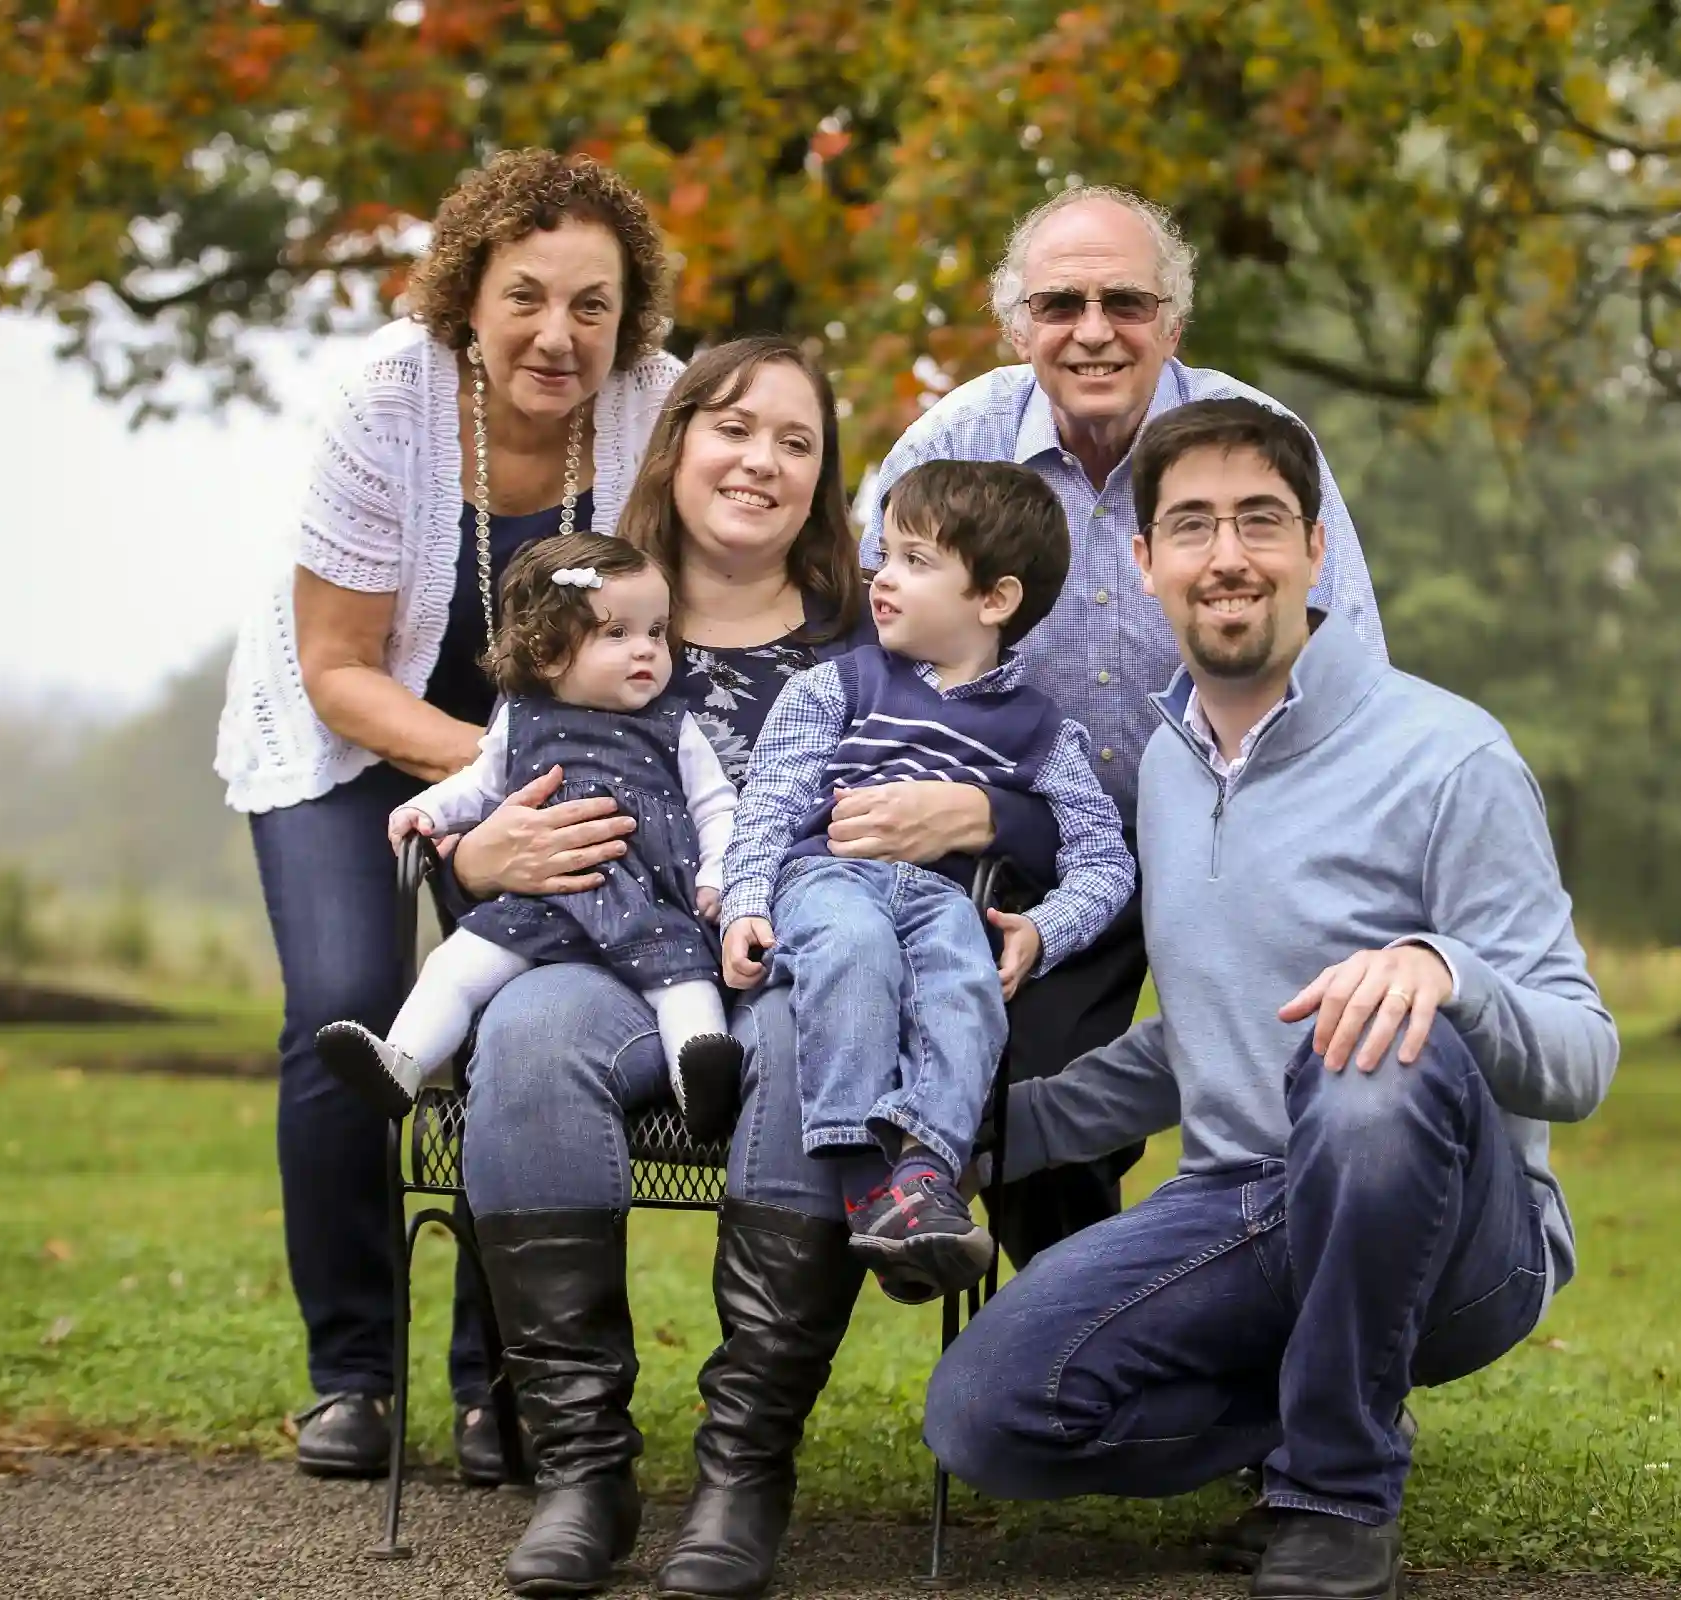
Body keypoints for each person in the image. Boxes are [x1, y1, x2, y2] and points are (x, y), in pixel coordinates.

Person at [920, 399, 1621, 1600]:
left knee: (1374, 1052)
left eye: (1260, 519)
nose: (1227, 554)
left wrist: (1445, 973)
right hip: (1240, 1212)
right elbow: (1201, 1039)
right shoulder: (1166, 774)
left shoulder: (1447, 754)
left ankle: (1338, 1490)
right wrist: (989, 1136)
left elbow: (1582, 1055)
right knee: (984, 1415)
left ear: (1316, 550)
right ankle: (1323, 1391)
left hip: (1460, 1240)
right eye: (1190, 524)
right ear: (1144, 565)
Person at [440, 338, 1065, 1597]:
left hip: (802, 964)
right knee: (524, 1039)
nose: (762, 460)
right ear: (677, 445)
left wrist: (979, 821)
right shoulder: (582, 602)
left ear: (825, 477)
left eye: (797, 440)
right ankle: (583, 1468)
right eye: (734, 427)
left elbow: (1040, 796)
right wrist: (479, 859)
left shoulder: (874, 630)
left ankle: (743, 1467)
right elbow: (491, 784)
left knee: (798, 1051)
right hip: (599, 952)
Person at [213, 147, 680, 1485]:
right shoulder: (386, 405)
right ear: (466, 294)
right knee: (348, 1003)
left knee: (517, 1019)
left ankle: (500, 1384)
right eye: (526, 295)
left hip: (557, 754)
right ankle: (352, 1376)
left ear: (628, 316)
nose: (558, 332)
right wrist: (495, 773)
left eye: (592, 304)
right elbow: (341, 665)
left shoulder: (653, 409)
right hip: (356, 734)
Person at [856, 184, 1385, 1267]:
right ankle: (1104, 1354)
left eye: (1125, 303)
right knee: (1036, 1102)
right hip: (1041, 841)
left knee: (1298, 1084)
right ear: (1018, 327)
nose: (1093, 331)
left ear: (1173, 322)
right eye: (1060, 304)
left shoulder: (1251, 447)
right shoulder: (949, 447)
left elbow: (1348, 663)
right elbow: (871, 660)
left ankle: (1307, 1337)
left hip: (1242, 824)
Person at [720, 460, 1134, 1304]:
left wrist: (1044, 929)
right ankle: (863, 1172)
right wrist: (747, 903)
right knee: (855, 943)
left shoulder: (1041, 731)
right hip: (828, 881)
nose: (883, 579)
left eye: (915, 560)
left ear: (995, 599)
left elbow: (1106, 858)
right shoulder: (836, 684)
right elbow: (769, 803)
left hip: (943, 899)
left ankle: (922, 1177)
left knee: (966, 981)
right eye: (886, 555)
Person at [314, 534, 743, 1141]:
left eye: (656, 631)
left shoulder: (674, 725)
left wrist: (716, 874)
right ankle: (401, 1062)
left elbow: (716, 805)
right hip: (543, 900)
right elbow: (478, 784)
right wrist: (426, 812)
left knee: (684, 984)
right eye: (616, 633)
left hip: (648, 902)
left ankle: (699, 1078)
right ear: (546, 654)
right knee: (454, 966)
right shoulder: (522, 718)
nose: (646, 649)